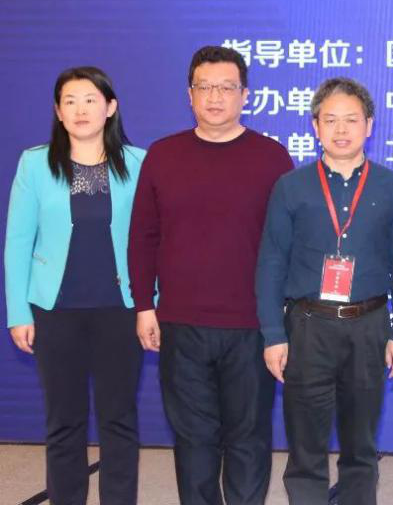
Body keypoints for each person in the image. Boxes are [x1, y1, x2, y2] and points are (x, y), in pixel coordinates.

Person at [128, 46, 294, 505]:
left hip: (251, 324)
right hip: (180, 323)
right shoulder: (163, 155)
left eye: (226, 87)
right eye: (205, 87)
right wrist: (143, 305)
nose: (215, 97)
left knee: (248, 438)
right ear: (190, 94)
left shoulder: (271, 157)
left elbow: (288, 244)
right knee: (193, 440)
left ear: (245, 95)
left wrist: (281, 319)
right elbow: (142, 236)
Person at [256, 77, 393, 504]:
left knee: (361, 446)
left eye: (352, 120)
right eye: (331, 120)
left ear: (369, 125)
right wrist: (273, 335)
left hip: (369, 326)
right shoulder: (291, 186)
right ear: (315, 126)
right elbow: (272, 262)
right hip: (308, 326)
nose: (341, 130)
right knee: (306, 446)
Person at [4, 67, 145, 505]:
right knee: (64, 421)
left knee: (119, 420)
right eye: (70, 101)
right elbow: (18, 241)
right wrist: (18, 312)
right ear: (58, 111)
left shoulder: (139, 162)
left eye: (90, 100)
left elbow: (152, 240)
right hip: (54, 311)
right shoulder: (35, 163)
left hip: (120, 310)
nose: (80, 110)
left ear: (111, 107)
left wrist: (152, 304)